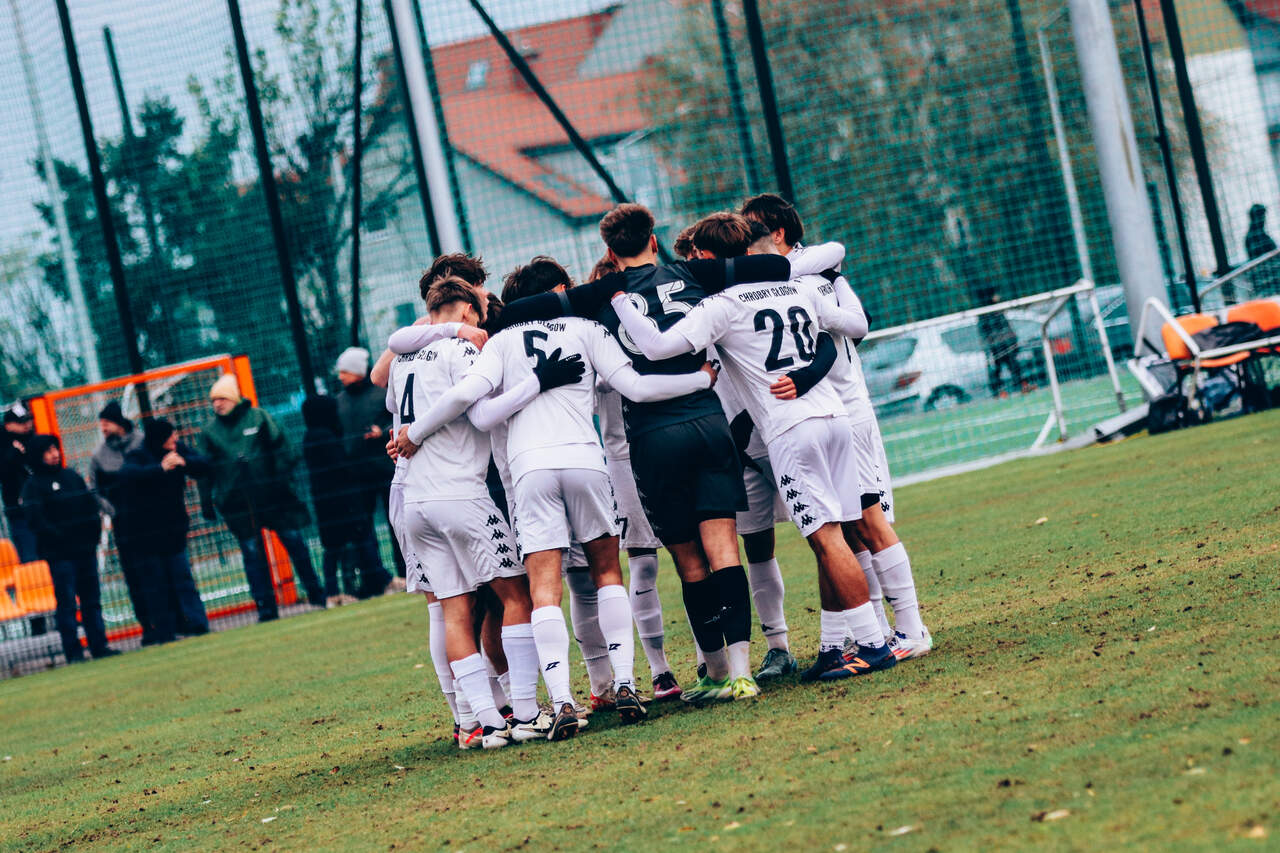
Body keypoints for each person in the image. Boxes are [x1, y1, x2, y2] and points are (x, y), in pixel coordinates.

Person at [396, 262, 719, 730]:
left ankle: (562, 701)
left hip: (529, 472)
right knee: (607, 573)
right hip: (585, 462)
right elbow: (636, 387)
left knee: (543, 589)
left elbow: (478, 414)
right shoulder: (586, 329)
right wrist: (701, 379)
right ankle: (625, 683)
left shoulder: (500, 342)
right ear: (561, 293)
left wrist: (414, 432)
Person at [612, 211, 897, 682]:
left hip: (790, 429)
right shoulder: (795, 286)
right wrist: (806, 373)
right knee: (837, 536)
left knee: (827, 539)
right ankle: (834, 646)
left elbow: (658, 347)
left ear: (707, 257)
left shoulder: (722, 305)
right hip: (835, 418)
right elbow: (837, 334)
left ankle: (872, 645)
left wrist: (621, 302)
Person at [742, 193, 933, 664]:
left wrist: (818, 301)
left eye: (753, 231)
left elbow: (858, 322)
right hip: (829, 413)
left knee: (869, 522)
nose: (746, 242)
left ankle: (911, 628)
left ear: (777, 234)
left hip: (846, 409)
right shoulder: (804, 279)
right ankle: (879, 632)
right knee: (847, 530)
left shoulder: (813, 276)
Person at [392, 277, 572, 748]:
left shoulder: (404, 357)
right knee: (518, 595)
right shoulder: (463, 349)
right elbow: (475, 408)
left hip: (416, 502)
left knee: (455, 609)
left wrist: (412, 432)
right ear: (470, 311)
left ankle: (485, 724)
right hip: (460, 494)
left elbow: (394, 405)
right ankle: (527, 712)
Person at [198, 375, 325, 621]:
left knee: (294, 542)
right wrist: (208, 501)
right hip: (237, 503)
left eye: (222, 398)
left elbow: (284, 448)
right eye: (214, 400)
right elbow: (205, 470)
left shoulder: (258, 417)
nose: (217, 404)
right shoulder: (209, 432)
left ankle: (316, 593)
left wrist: (280, 481)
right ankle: (265, 607)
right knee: (252, 554)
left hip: (273, 496)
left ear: (234, 398)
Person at [19, 435, 118, 662]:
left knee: (91, 600)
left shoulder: (72, 476)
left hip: (85, 550)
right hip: (60, 555)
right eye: (48, 451)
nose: (54, 454)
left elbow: (90, 506)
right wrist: (61, 538)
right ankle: (73, 652)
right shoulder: (33, 487)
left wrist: (92, 535)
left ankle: (99, 645)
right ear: (38, 456)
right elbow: (37, 521)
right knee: (67, 603)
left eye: (55, 449)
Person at [119, 419, 211, 643]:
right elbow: (128, 475)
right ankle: (165, 631)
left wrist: (184, 462)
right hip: (146, 535)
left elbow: (204, 464)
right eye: (171, 435)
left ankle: (197, 623)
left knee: (183, 579)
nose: (175, 438)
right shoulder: (138, 455)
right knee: (156, 586)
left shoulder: (178, 451)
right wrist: (160, 469)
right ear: (160, 438)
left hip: (174, 530)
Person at [301, 395, 390, 604]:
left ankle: (333, 592)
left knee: (334, 548)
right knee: (360, 539)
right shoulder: (325, 437)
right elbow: (341, 467)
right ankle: (381, 580)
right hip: (342, 501)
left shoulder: (311, 437)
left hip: (327, 503)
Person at [88, 401, 154, 644]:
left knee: (158, 570)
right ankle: (147, 625)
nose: (103, 428)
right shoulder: (99, 456)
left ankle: (172, 620)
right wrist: (112, 511)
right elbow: (94, 490)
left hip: (151, 519)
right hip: (124, 524)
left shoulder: (142, 443)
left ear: (119, 423)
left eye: (107, 422)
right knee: (134, 576)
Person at [335, 347, 400, 586]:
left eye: (345, 371)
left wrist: (382, 432)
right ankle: (374, 576)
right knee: (363, 527)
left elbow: (397, 420)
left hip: (385, 468)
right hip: (357, 473)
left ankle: (405, 571)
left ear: (358, 371)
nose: (340, 376)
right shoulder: (340, 401)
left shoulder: (381, 393)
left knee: (397, 522)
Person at [1, 404, 38, 562]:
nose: (27, 425)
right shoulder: (4, 445)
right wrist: (14, 454)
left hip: (39, 506)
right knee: (29, 555)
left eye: (28, 420)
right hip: (18, 509)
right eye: (21, 422)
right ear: (8, 425)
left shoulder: (34, 441)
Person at [975, 286, 1027, 397]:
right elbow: (984, 333)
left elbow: (1006, 327)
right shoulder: (984, 314)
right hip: (996, 348)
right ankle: (998, 392)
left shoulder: (997, 310)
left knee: (1013, 366)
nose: (998, 296)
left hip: (1006, 344)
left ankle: (1020, 386)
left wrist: (1013, 339)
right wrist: (989, 347)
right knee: (996, 370)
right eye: (995, 294)